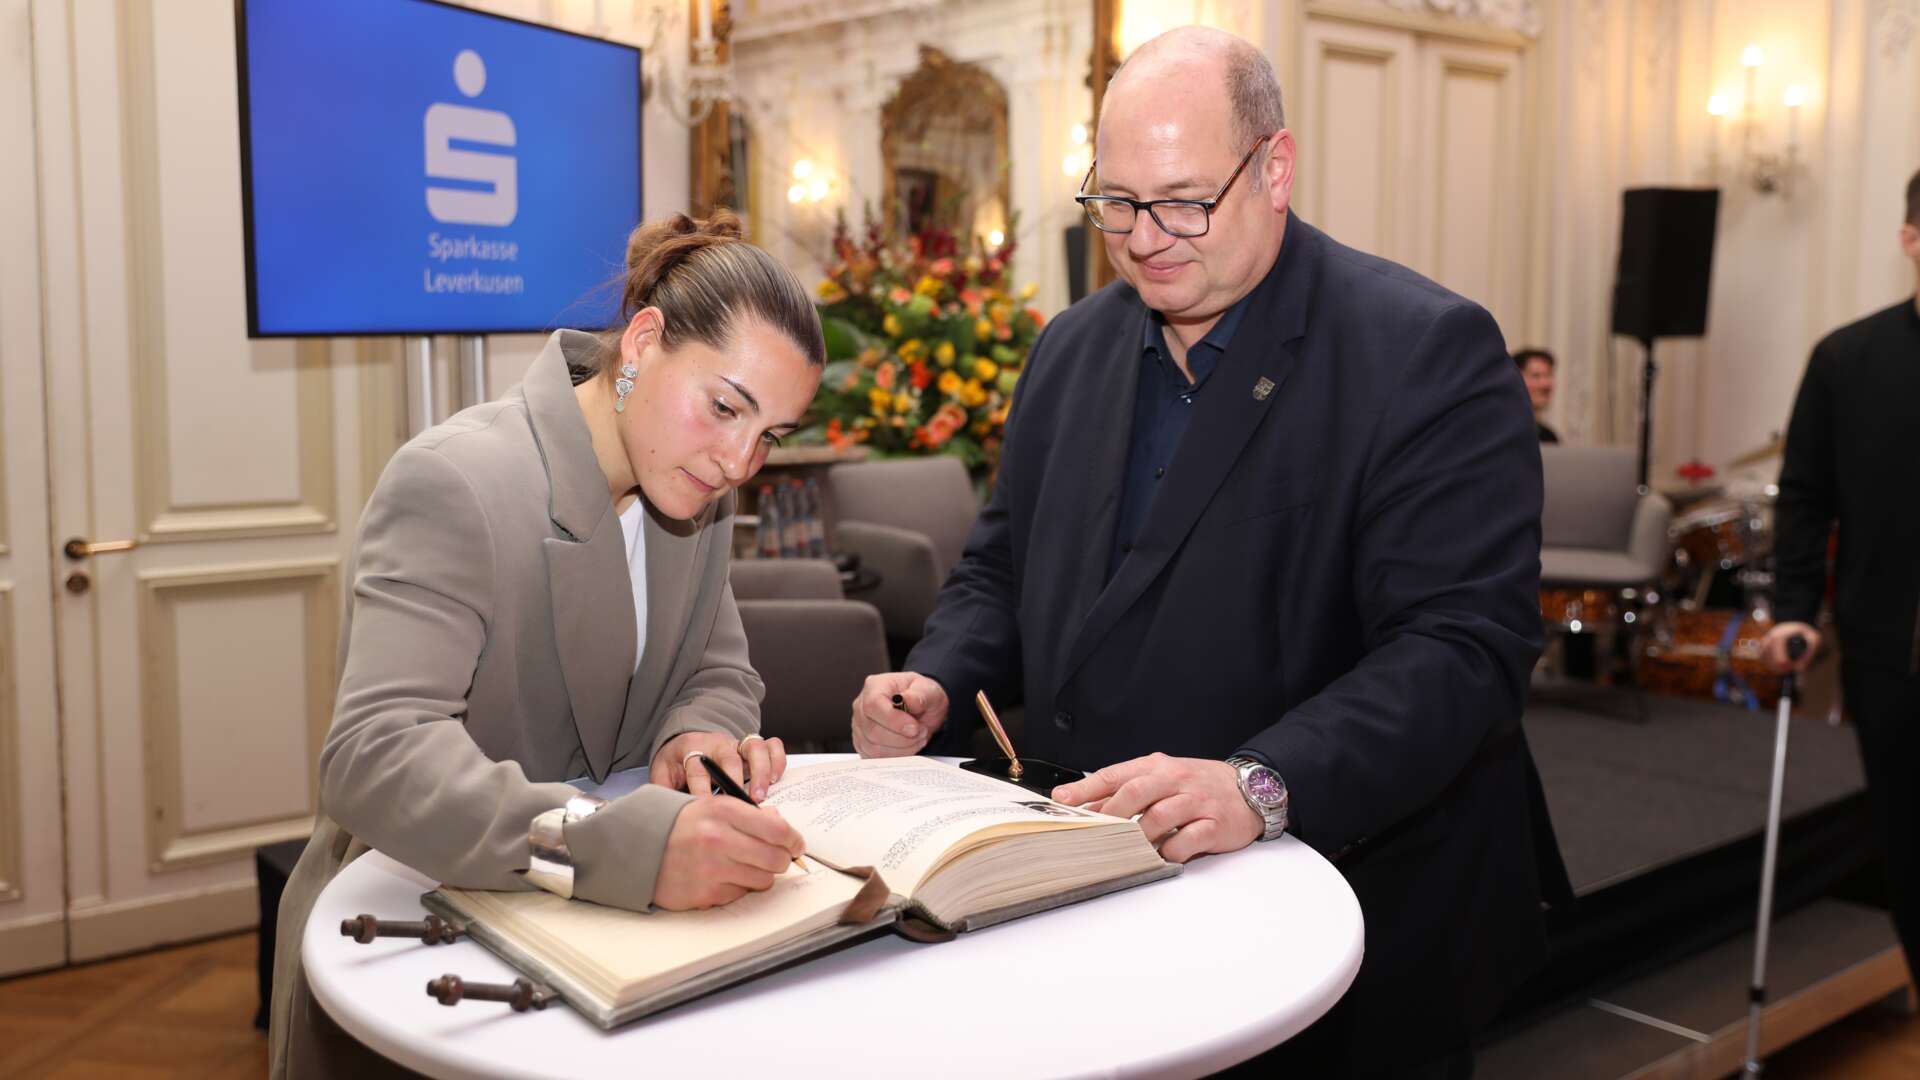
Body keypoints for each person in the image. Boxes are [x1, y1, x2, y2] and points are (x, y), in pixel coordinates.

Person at [849, 26, 1567, 1077]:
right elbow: (1005, 564)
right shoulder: (1073, 346)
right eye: (1117, 204)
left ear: (1275, 168)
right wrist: (937, 678)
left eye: (1184, 200)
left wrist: (1263, 783)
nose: (1145, 238)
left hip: (1351, 909)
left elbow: (1462, 649)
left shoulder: (1423, 351)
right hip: (1104, 897)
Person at [269, 211, 822, 1078]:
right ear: (642, 342)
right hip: (423, 945)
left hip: (610, 963)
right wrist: (622, 849)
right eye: (725, 408)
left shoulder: (696, 490)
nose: (737, 463)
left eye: (768, 436)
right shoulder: (454, 480)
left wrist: (696, 735)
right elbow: (375, 758)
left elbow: (716, 667)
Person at [1764, 166, 1920, 993]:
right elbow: (1805, 497)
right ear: (1910, 240)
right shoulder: (1848, 360)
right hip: (1887, 660)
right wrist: (1795, 609)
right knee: (1907, 854)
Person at [1513, 346, 1561, 442]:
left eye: (1548, 375)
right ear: (1514, 380)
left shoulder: (1548, 437)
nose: (1546, 384)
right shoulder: (1500, 432)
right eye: (1536, 376)